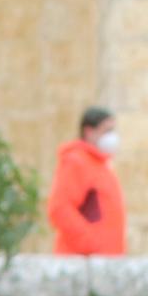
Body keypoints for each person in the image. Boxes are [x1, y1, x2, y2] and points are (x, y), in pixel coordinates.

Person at [46, 104, 125, 255]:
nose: (112, 137)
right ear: (89, 131)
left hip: (105, 259)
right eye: (107, 131)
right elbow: (60, 209)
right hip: (84, 259)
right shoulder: (77, 162)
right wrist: (92, 244)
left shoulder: (100, 165)